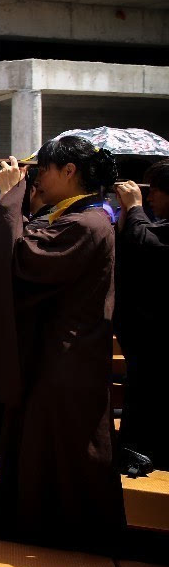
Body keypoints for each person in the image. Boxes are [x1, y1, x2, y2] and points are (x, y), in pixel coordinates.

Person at [0, 139, 125, 552]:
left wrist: (12, 197)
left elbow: (21, 259)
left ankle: (63, 553)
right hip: (52, 362)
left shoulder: (88, 224)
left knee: (59, 466)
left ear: (69, 171)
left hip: (65, 369)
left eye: (43, 170)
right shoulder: (75, 218)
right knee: (37, 459)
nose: (37, 179)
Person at [115, 160, 169, 469]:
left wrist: (134, 208)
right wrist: (127, 212)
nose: (149, 199)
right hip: (148, 339)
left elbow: (148, 246)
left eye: (156, 192)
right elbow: (133, 243)